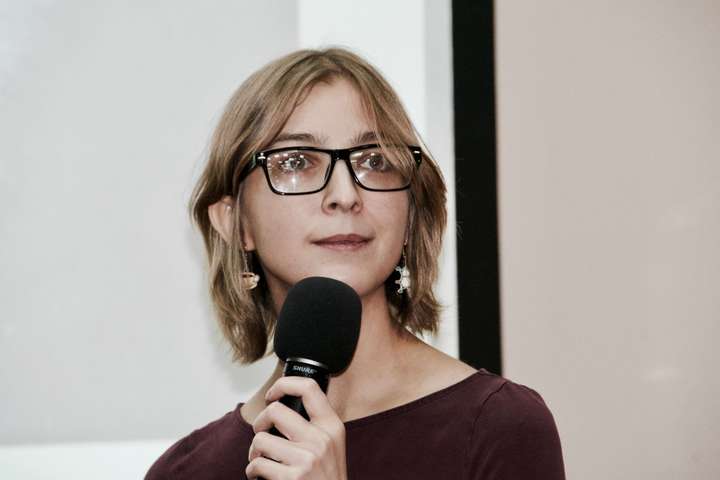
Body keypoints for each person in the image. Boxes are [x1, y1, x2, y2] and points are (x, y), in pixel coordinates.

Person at [145, 47, 565, 480]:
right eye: (297, 162)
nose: (345, 195)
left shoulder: (500, 427)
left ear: (409, 212)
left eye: (375, 161)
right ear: (235, 222)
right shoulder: (183, 473)